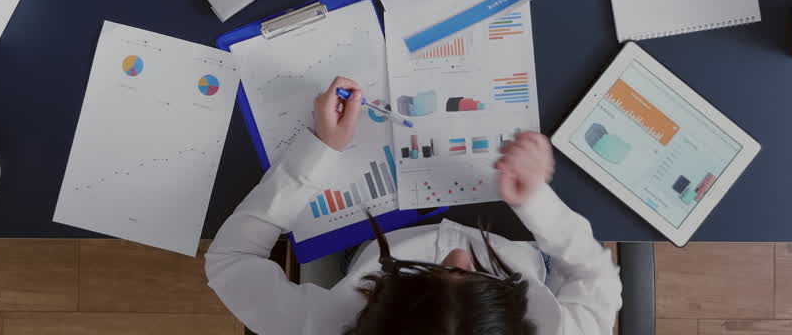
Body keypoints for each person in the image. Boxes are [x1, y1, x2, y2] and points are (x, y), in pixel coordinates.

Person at [206, 77, 621, 334]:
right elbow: (595, 274)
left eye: (429, 274)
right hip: (515, 234)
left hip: (377, 228)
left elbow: (229, 260)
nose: (460, 254)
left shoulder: (323, 329)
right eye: (483, 281)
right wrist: (538, 205)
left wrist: (317, 152)